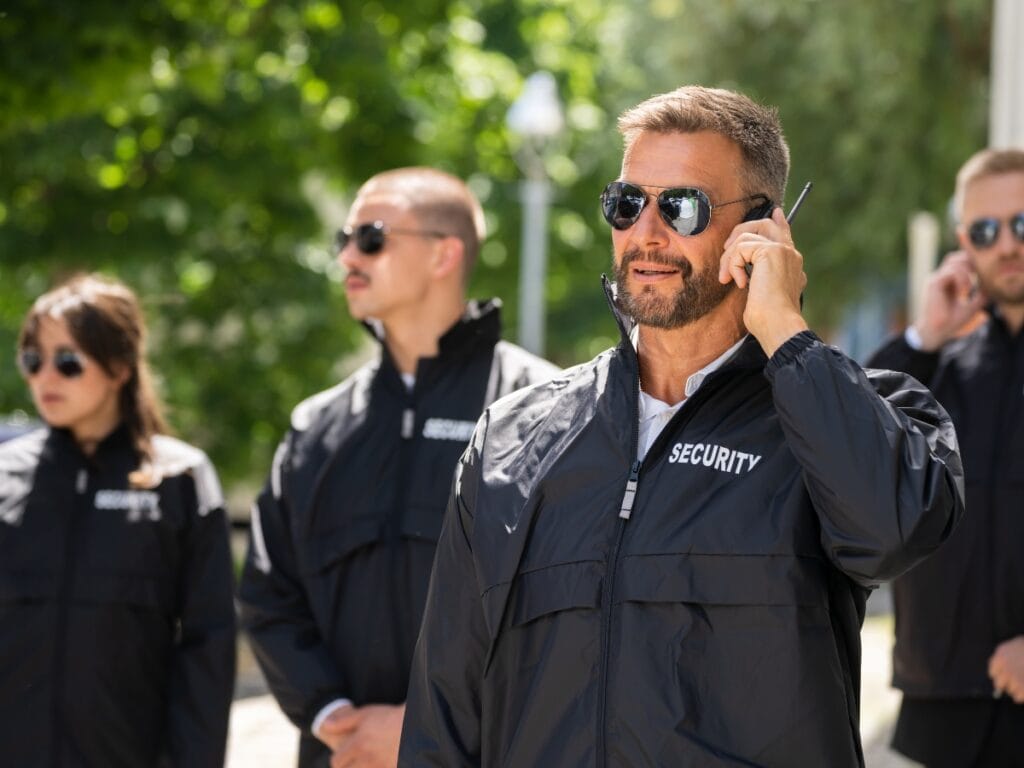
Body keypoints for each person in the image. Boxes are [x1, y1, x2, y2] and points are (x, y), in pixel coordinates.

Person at [399, 86, 966, 768]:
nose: (646, 232)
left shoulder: (850, 417)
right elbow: (443, 709)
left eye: (682, 206)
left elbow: (895, 532)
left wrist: (786, 333)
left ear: (763, 229)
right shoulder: (511, 438)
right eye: (627, 202)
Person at [237, 167, 559, 768]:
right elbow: (268, 592)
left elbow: (565, 609)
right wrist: (331, 715)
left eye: (372, 237)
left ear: (444, 255)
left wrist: (424, 726)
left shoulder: (544, 408)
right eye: (344, 239)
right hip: (344, 753)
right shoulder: (316, 427)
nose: (347, 258)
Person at [0, 274, 236, 767]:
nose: (45, 377)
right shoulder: (5, 475)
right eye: (32, 359)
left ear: (119, 366)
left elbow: (207, 648)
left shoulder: (180, 480)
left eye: (67, 361)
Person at [867, 148, 1024, 767]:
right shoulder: (940, 368)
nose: (1006, 245)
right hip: (940, 714)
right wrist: (923, 337)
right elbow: (853, 442)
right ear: (964, 244)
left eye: (1022, 223)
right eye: (985, 231)